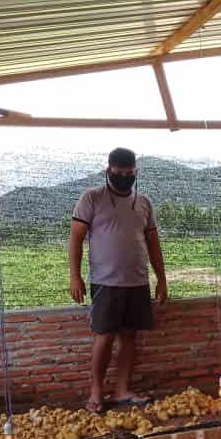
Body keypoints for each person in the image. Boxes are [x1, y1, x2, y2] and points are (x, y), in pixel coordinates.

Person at [68, 147, 168, 412]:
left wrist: (162, 279)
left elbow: (154, 243)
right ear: (108, 171)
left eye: (129, 172)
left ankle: (123, 390)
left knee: (129, 337)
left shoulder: (144, 202)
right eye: (119, 172)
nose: (124, 176)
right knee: (104, 336)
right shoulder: (91, 198)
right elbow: (76, 239)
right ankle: (96, 393)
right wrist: (75, 277)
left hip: (137, 281)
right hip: (105, 282)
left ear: (136, 172)